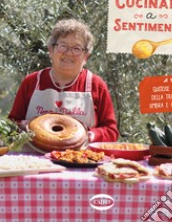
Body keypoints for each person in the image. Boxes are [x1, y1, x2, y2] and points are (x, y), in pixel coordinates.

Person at [9, 18, 119, 147]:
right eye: (63, 46)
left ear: (86, 56)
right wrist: (22, 125)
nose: (68, 53)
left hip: (80, 161)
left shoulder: (96, 85)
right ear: (51, 50)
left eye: (77, 48)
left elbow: (111, 131)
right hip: (34, 161)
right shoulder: (32, 82)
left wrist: (91, 135)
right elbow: (11, 124)